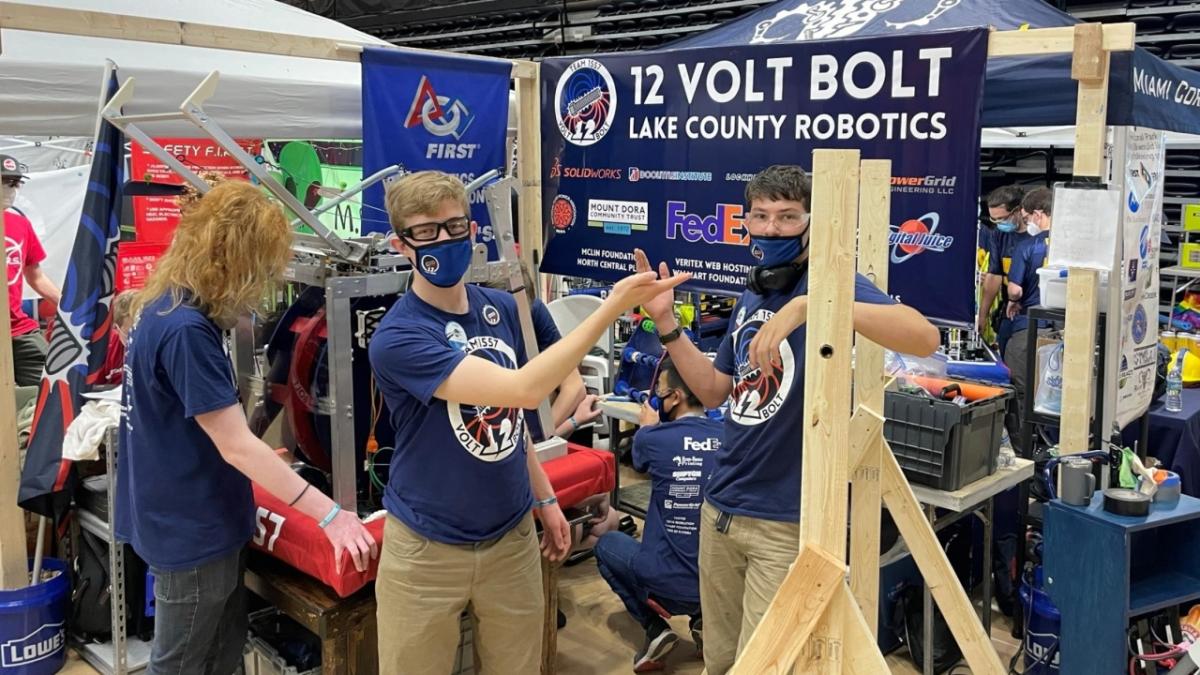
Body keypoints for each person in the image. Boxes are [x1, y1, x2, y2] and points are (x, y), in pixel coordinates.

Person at [368, 170, 688, 674]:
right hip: (427, 548)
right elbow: (524, 390)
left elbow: (509, 419)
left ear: (473, 232)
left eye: (454, 227)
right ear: (401, 245)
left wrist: (543, 499)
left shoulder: (504, 311)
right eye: (426, 232)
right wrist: (610, 309)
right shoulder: (399, 337)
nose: (445, 241)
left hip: (510, 536)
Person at [635, 164, 939, 674]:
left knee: (766, 666)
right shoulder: (751, 294)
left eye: (786, 216)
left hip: (784, 522)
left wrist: (812, 305)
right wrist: (666, 322)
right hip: (721, 509)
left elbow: (923, 338)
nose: (772, 228)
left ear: (809, 221)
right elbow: (713, 393)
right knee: (722, 661)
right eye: (761, 216)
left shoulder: (831, 284)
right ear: (746, 222)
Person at [117, 181, 378, 675]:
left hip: (177, 514)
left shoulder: (163, 306)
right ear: (234, 259)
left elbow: (204, 425)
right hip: (192, 532)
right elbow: (237, 447)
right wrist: (332, 516)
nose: (263, 282)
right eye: (261, 267)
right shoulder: (187, 331)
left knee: (221, 655)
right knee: (181, 665)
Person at [593, 357, 718, 672]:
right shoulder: (730, 436)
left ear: (675, 397)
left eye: (660, 391)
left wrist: (647, 427)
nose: (654, 399)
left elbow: (639, 460)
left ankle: (655, 629)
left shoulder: (652, 439)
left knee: (606, 545)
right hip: (720, 582)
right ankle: (704, 619)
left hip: (664, 583)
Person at [482, 261, 602, 442]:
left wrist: (536, 438)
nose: (512, 324)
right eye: (503, 317)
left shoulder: (535, 311)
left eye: (519, 315)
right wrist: (572, 422)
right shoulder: (473, 324)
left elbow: (575, 387)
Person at [2, 155, 61, 386]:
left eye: (15, 183)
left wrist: (67, 305)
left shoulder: (19, 224)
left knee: (53, 384)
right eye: (5, 181)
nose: (11, 189)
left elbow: (35, 276)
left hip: (17, 328)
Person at [1003, 186, 1053, 446]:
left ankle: (1023, 449)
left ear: (1038, 214)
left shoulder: (1028, 245)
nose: (1027, 223)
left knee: (1018, 388)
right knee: (1053, 392)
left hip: (1028, 326)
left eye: (1026, 218)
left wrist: (1013, 302)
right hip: (1063, 331)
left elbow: (1015, 288)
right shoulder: (1070, 244)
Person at [977, 185, 1027, 352]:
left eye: (1002, 218)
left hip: (1029, 308)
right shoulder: (998, 234)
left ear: (1019, 210)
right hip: (1008, 309)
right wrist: (982, 316)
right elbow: (994, 275)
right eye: (994, 220)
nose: (999, 224)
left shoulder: (1036, 238)